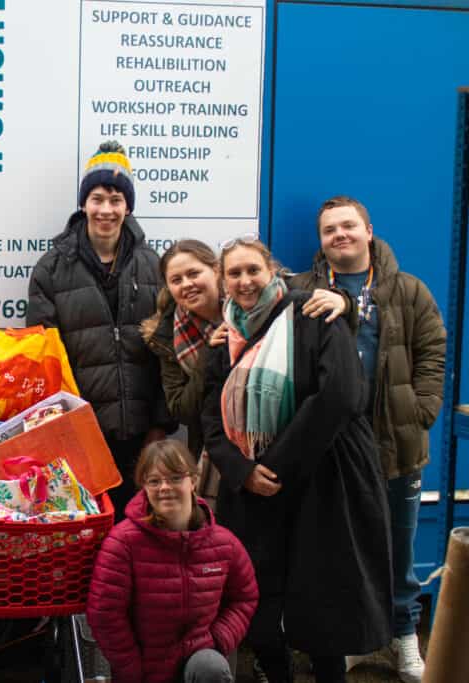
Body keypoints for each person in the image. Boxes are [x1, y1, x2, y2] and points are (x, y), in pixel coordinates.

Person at [201, 236, 392, 683]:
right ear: (224, 282)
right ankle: (275, 671)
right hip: (250, 484)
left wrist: (278, 464)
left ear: (272, 270)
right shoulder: (225, 334)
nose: (245, 281)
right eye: (235, 273)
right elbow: (210, 414)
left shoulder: (312, 313)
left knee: (323, 589)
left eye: (253, 270)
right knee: (258, 589)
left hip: (322, 475)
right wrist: (243, 470)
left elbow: (340, 394)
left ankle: (329, 675)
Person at [290, 196, 445, 682]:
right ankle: (356, 636)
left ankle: (403, 637)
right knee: (343, 550)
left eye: (349, 225)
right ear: (320, 241)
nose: (340, 235)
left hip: (397, 445)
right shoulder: (303, 289)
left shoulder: (408, 290)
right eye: (330, 229)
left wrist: (421, 412)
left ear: (369, 230)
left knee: (399, 550)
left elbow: (432, 351)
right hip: (334, 452)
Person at [27, 140, 175, 518]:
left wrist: (160, 426)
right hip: (79, 432)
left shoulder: (153, 264)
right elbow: (45, 360)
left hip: (141, 434)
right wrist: (63, 428)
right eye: (97, 198)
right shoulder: (51, 268)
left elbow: (167, 353)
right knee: (85, 532)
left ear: (128, 206)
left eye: (115, 199)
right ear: (83, 204)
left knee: (138, 527)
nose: (106, 209)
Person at [142, 240, 348, 507]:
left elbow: (319, 305)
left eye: (194, 274)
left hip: (295, 452)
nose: (187, 284)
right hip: (223, 460)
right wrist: (209, 355)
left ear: (216, 273)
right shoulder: (166, 336)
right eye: (176, 279)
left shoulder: (261, 300)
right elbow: (183, 409)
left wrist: (344, 301)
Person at [87, 439, 258, 683]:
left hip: (199, 662)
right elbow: (105, 613)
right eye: (154, 481)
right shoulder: (122, 543)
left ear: (193, 481)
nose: (165, 487)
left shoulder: (224, 543)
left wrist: (219, 639)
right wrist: (131, 669)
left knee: (211, 667)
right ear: (144, 487)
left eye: (175, 478)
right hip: (144, 671)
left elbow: (246, 596)